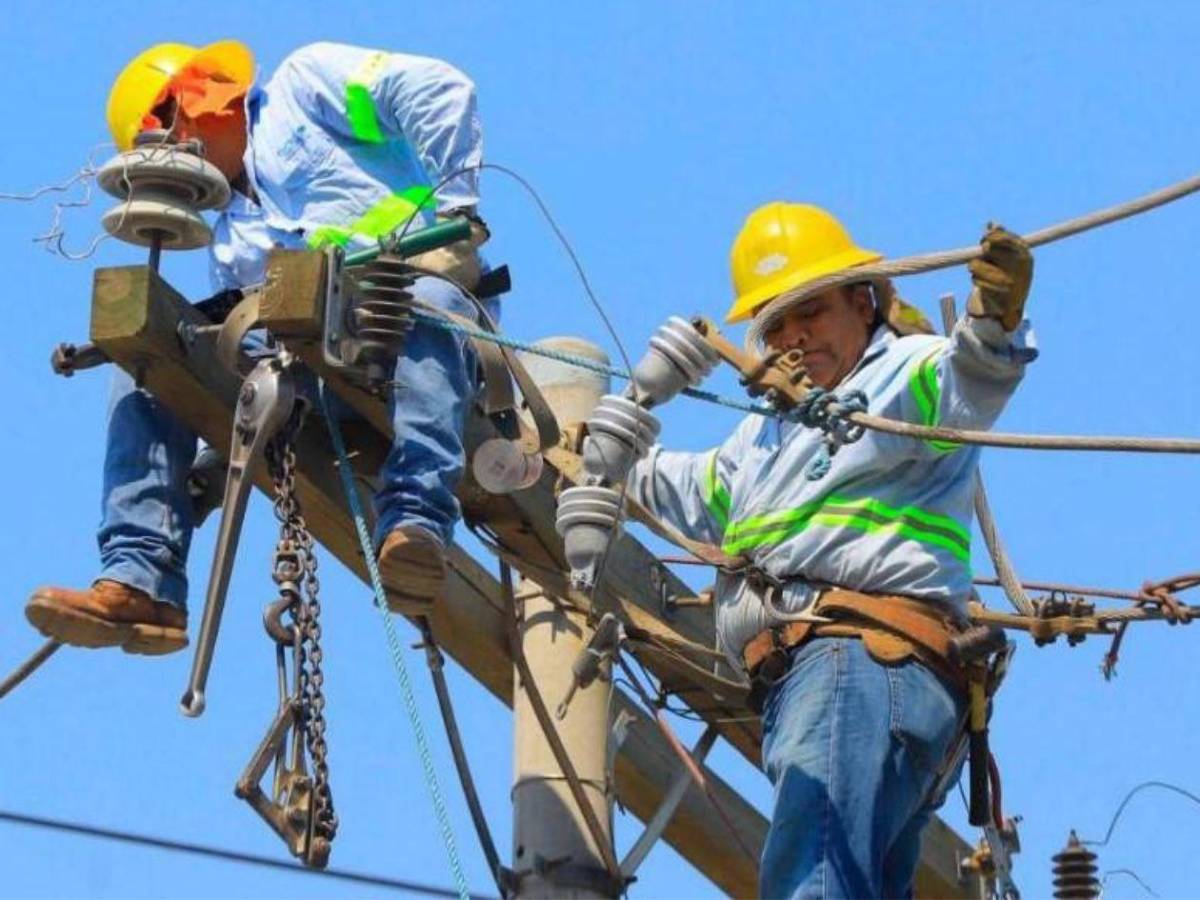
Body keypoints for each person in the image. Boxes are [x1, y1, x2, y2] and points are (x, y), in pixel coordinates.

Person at [626, 202, 1037, 898]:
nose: (793, 336)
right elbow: (686, 491)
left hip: (856, 663)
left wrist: (993, 320)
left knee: (811, 883)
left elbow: (971, 382)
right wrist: (598, 438)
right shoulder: (765, 436)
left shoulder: (899, 374)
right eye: (775, 324)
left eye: (809, 311)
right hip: (834, 681)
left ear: (863, 301)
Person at [26, 40, 489, 654]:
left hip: (397, 329)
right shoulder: (230, 242)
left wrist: (454, 210)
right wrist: (209, 470)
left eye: (165, 139)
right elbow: (256, 371)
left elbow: (439, 88)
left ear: (194, 101)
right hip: (318, 378)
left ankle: (415, 525)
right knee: (153, 363)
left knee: (425, 301)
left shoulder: (305, 87)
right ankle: (142, 578)